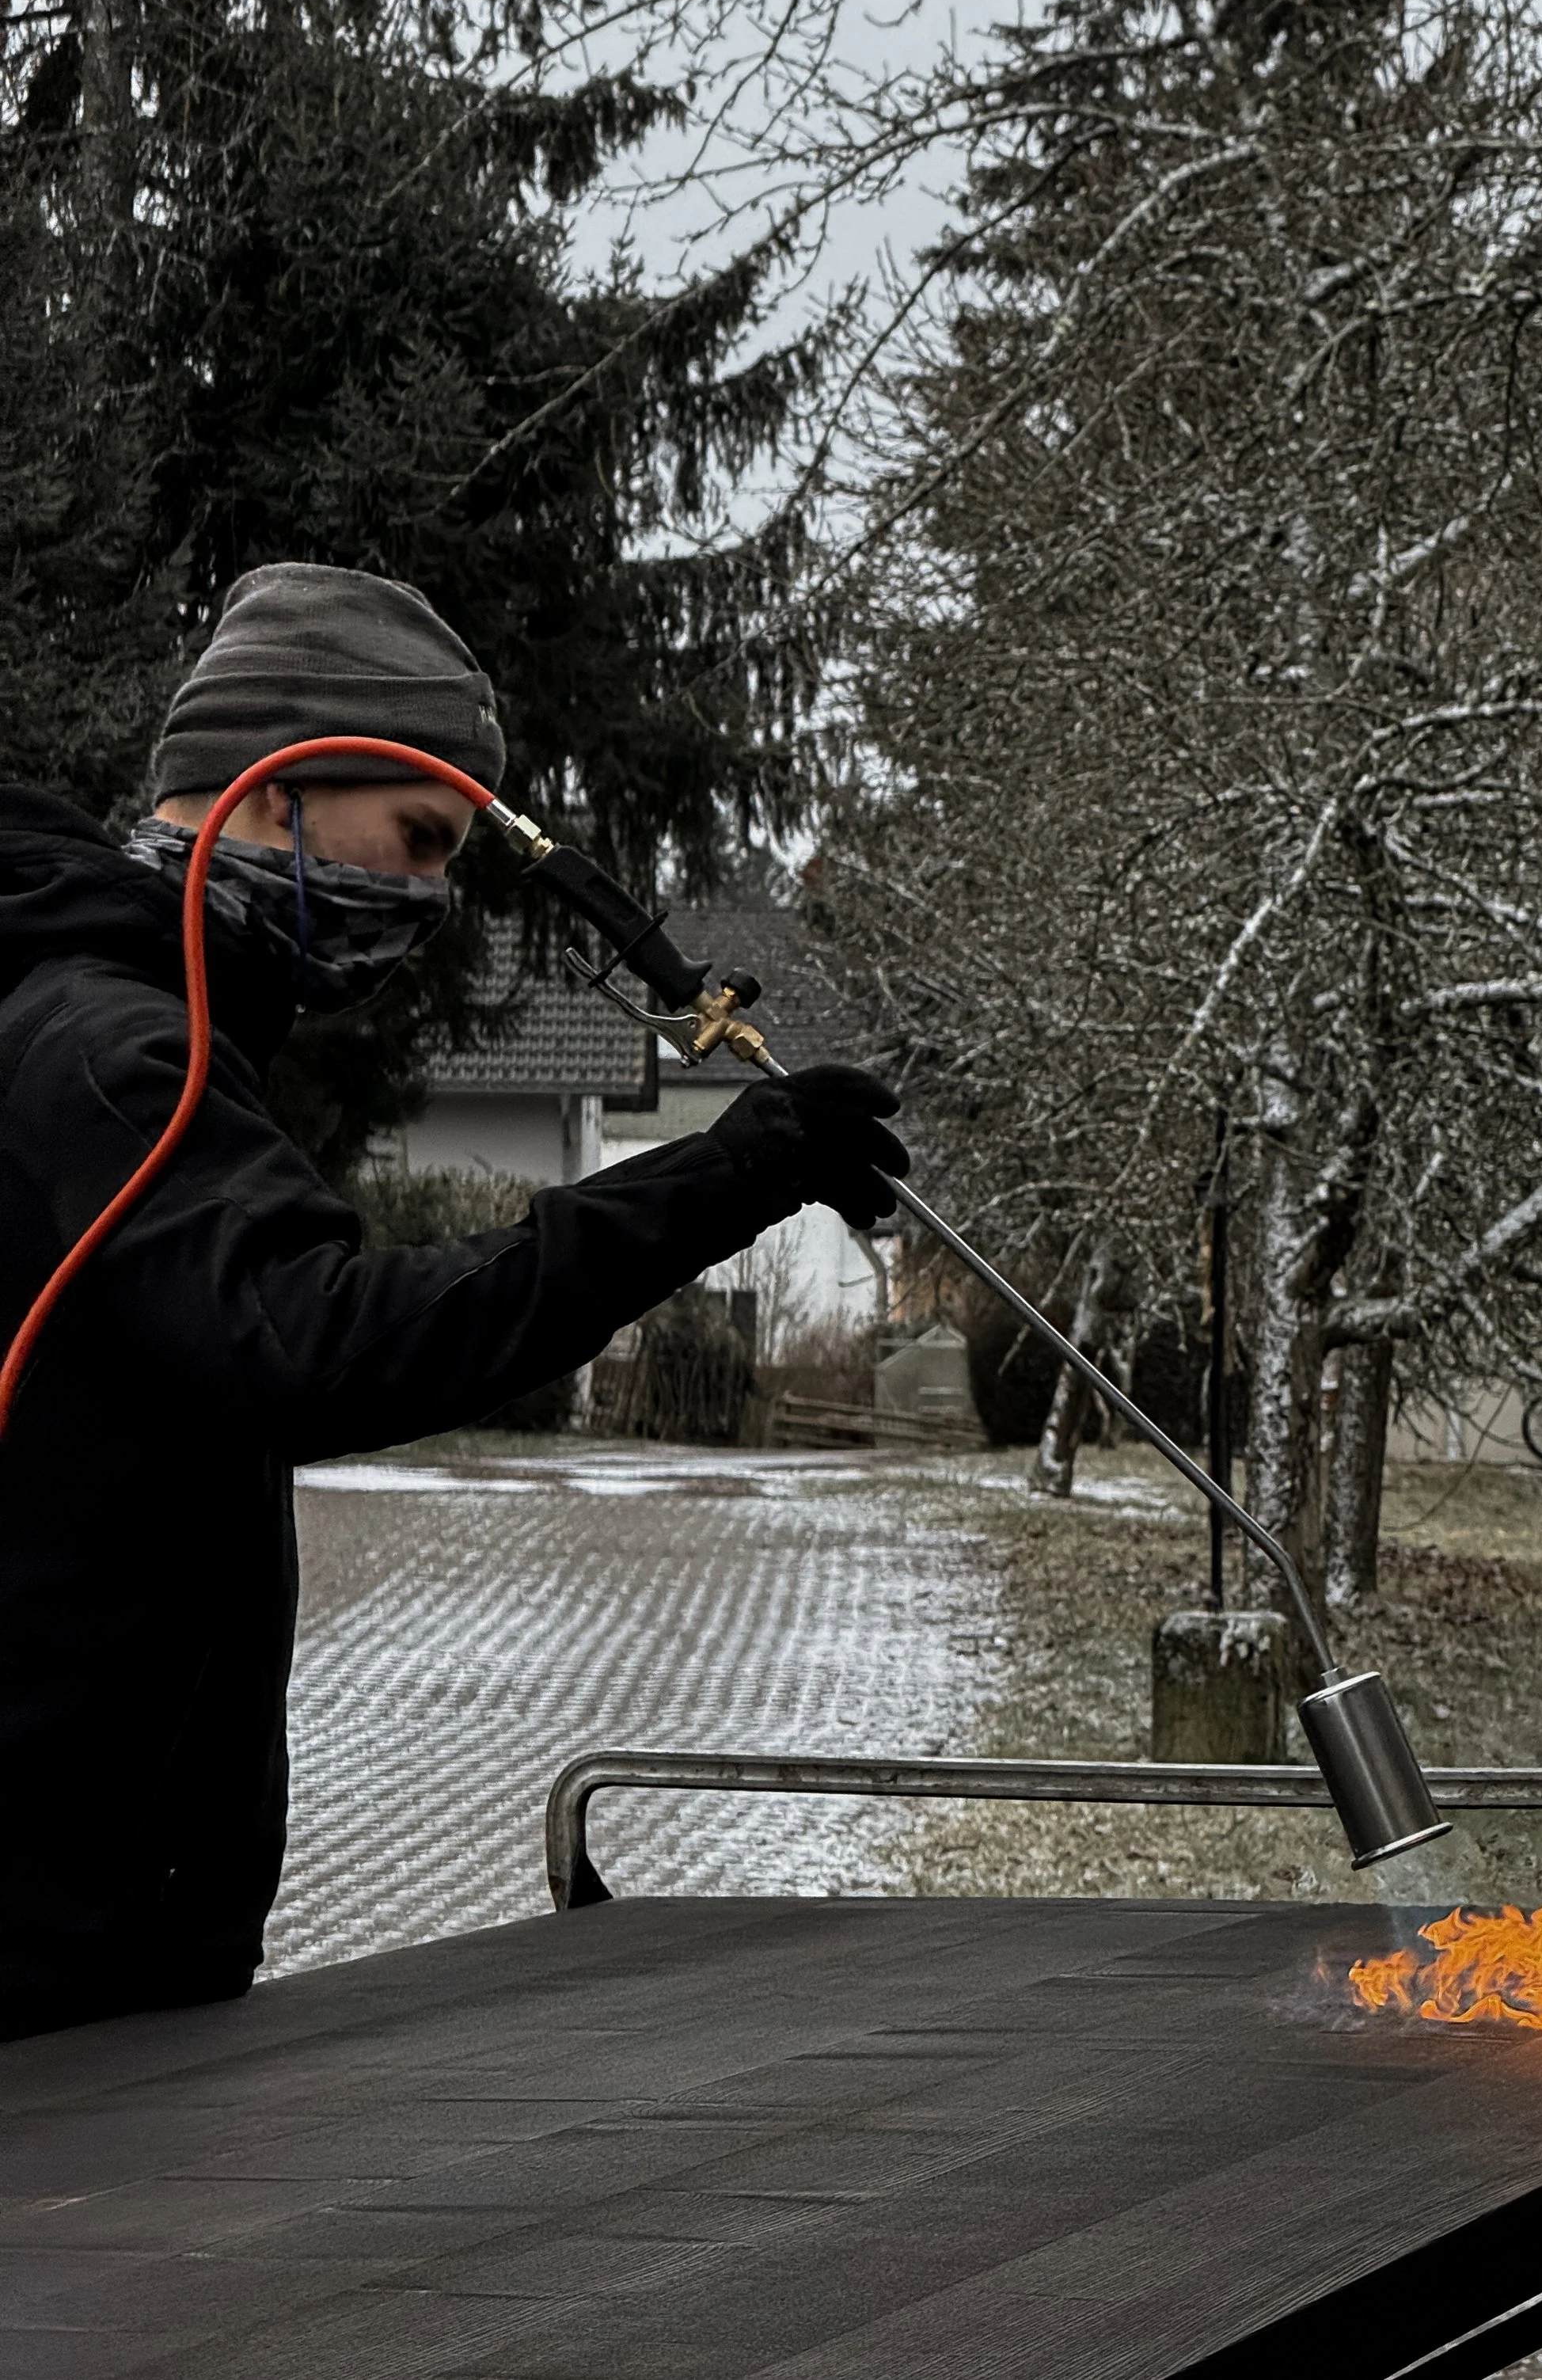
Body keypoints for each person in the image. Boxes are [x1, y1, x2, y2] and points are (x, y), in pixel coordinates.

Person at [0, 563, 906, 2039]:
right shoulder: (111, 1053)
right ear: (276, 784)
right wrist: (715, 1183)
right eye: (418, 841)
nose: (425, 899)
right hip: (50, 1971)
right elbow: (331, 1339)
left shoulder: (134, 1028)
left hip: (110, 1947)